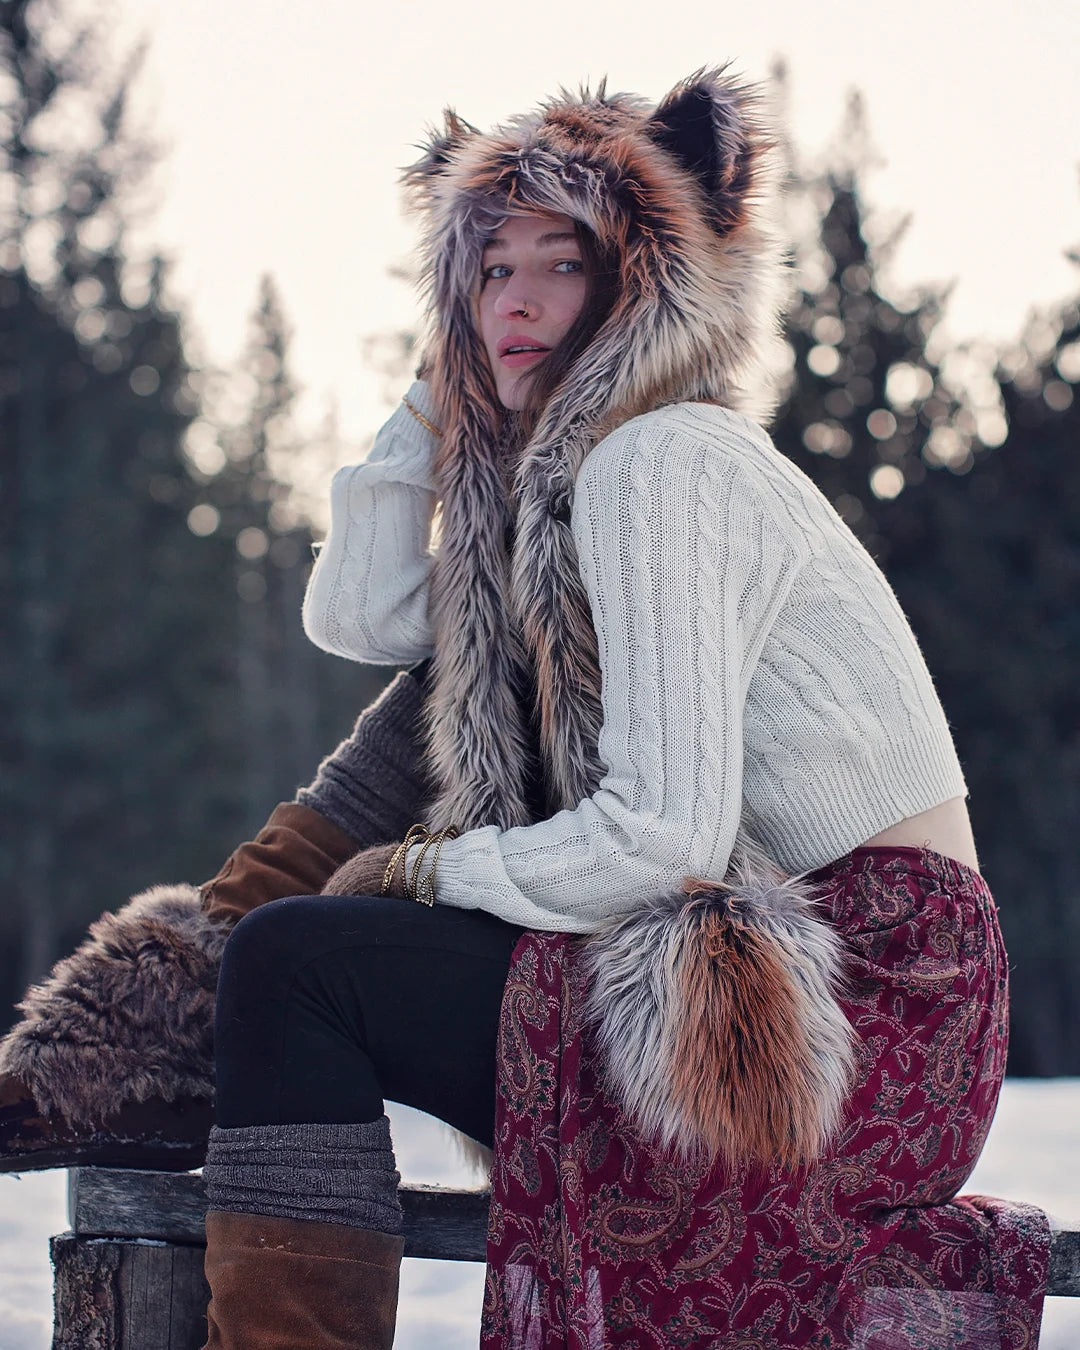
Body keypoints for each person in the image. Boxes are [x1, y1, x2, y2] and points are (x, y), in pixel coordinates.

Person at [0, 66, 1048, 1349]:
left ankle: (173, 1039)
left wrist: (426, 876)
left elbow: (664, 831)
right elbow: (365, 614)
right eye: (490, 271)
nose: (519, 299)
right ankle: (173, 1023)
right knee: (413, 738)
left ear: (638, 288)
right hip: (748, 975)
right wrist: (430, 397)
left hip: (862, 1001)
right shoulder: (569, 496)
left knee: (296, 966)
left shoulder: (659, 461)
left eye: (562, 262)